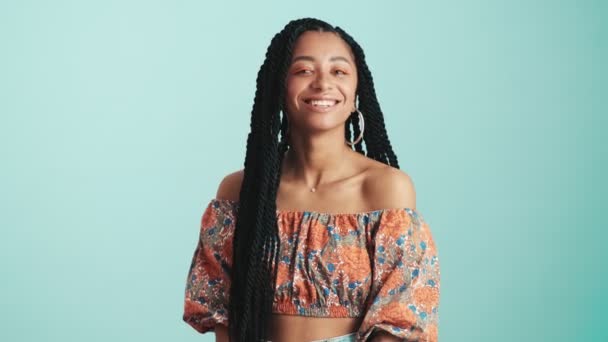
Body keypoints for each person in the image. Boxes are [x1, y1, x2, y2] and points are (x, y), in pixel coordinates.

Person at [182, 18, 440, 342]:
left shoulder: (385, 189)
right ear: (278, 85)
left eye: (339, 71)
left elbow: (399, 317)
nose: (322, 84)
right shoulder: (240, 192)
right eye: (304, 70)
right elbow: (225, 315)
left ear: (357, 88)